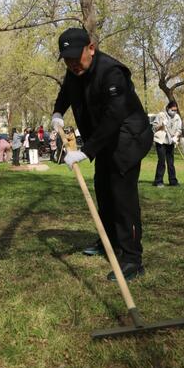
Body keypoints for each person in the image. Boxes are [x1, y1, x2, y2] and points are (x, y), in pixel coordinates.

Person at [52, 28, 153, 281]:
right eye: (67, 59)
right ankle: (108, 241)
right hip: (105, 138)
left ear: (91, 48)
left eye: (76, 57)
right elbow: (66, 91)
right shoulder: (75, 70)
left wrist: (85, 151)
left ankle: (132, 258)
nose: (72, 64)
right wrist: (57, 112)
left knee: (122, 196)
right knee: (103, 189)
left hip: (128, 137)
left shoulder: (112, 72)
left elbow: (114, 116)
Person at [152, 101, 182, 187]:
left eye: (175, 110)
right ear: (168, 108)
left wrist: (176, 137)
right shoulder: (161, 115)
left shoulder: (177, 117)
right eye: (172, 110)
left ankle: (173, 181)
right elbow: (154, 128)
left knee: (171, 162)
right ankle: (158, 181)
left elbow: (179, 129)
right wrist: (162, 125)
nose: (174, 112)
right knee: (162, 161)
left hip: (170, 141)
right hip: (161, 141)